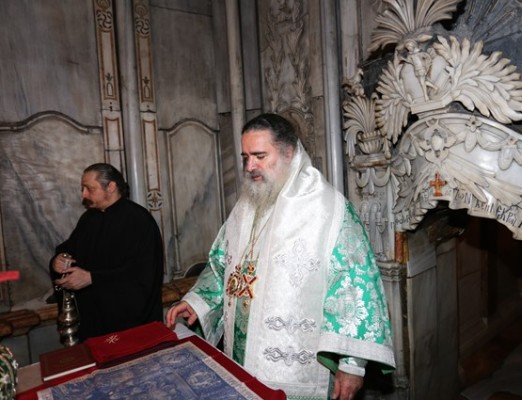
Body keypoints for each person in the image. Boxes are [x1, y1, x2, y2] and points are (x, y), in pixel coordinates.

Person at [166, 113, 395, 399]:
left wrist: (352, 365)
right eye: (245, 157)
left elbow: (355, 289)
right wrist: (198, 302)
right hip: (240, 355)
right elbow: (222, 265)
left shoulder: (328, 210)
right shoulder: (247, 205)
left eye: (260, 156)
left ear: (289, 153)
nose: (250, 166)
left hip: (294, 370)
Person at [50, 163, 164, 341]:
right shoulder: (89, 218)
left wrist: (92, 278)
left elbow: (142, 273)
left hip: (129, 323)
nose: (84, 195)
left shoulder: (139, 220)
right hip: (92, 322)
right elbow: (70, 249)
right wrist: (58, 260)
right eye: (83, 189)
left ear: (111, 187)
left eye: (89, 189)